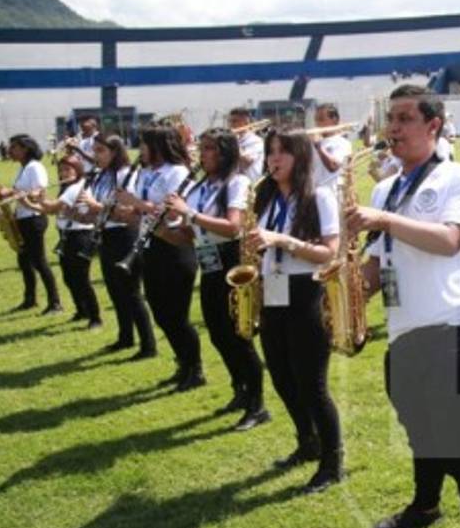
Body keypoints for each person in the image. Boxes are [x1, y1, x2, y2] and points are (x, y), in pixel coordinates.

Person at [346, 84, 460, 528]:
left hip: (451, 330)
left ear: (434, 125)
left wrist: (385, 219)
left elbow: (452, 241)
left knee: (456, 440)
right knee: (418, 431)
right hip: (404, 333)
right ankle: (425, 505)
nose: (393, 127)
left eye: (405, 118)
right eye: (391, 118)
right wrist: (349, 292)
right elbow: (379, 263)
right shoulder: (384, 188)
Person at [246, 128, 344, 492]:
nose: (274, 159)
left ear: (300, 157)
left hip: (305, 291)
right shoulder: (268, 199)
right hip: (273, 289)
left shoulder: (318, 196)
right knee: (281, 376)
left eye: (282, 152)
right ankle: (307, 442)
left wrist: (283, 240)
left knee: (312, 384)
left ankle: (332, 463)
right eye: (271, 152)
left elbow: (329, 252)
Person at [165, 128, 271, 431]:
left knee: (238, 336)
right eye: (201, 147)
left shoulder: (236, 183)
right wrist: (162, 228)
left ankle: (258, 404)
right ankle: (241, 389)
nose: (202, 154)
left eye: (209, 148)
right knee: (217, 333)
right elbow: (191, 233)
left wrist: (191, 214)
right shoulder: (200, 186)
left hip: (231, 260)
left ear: (224, 152)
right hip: (208, 261)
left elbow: (232, 227)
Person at [116, 124, 204, 390]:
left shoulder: (177, 172)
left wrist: (136, 204)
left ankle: (195, 369)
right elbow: (146, 211)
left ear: (157, 147)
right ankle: (183, 363)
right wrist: (127, 212)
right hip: (151, 246)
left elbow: (174, 213)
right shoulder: (146, 173)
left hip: (175, 248)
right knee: (160, 312)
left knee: (177, 316)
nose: (139, 150)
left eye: (143, 144)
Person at [77, 135, 157, 357]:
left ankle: (148, 344)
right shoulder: (102, 175)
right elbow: (101, 209)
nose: (96, 155)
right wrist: (85, 213)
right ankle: (125, 337)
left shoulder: (126, 174)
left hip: (126, 235)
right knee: (115, 290)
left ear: (115, 151)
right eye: (94, 150)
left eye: (101, 150)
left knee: (131, 292)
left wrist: (96, 206)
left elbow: (127, 214)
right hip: (107, 236)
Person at [24, 151, 102, 328]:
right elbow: (54, 210)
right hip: (66, 236)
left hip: (81, 236)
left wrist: (40, 199)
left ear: (78, 170)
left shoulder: (76, 188)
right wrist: (28, 204)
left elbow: (53, 208)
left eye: (68, 169)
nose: (63, 173)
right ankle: (82, 311)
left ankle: (95, 317)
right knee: (69, 277)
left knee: (81, 279)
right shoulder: (66, 187)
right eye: (61, 170)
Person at [0, 134, 62, 313]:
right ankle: (30, 299)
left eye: (14, 147)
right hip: (23, 217)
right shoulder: (24, 167)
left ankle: (55, 302)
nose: (10, 151)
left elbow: (38, 192)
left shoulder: (35, 167)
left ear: (25, 148)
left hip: (33, 218)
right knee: (24, 261)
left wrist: (12, 191)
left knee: (39, 261)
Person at [309, 102, 353, 192]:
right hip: (315, 195)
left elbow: (333, 166)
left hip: (333, 195)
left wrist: (318, 146)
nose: (317, 124)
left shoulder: (343, 143)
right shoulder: (314, 143)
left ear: (334, 120)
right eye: (316, 120)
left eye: (321, 119)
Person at [230, 107, 266, 181]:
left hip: (250, 183)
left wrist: (234, 142)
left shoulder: (255, 141)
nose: (231, 125)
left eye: (234, 121)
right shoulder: (235, 140)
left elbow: (246, 162)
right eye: (230, 121)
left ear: (246, 122)